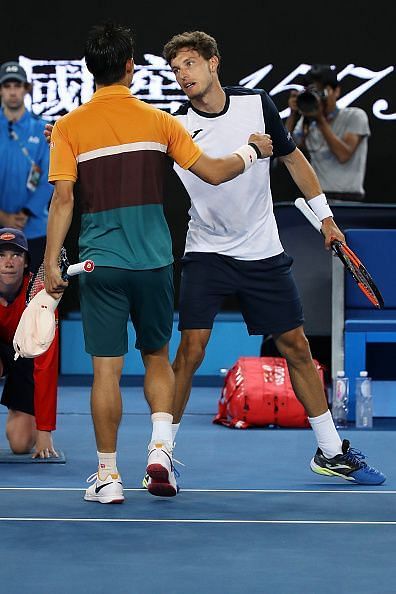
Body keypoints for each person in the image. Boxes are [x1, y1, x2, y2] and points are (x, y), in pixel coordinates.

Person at [43, 22, 272, 504]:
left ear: (89, 70)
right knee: (156, 358)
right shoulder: (161, 121)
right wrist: (254, 150)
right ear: (130, 67)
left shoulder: (68, 128)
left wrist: (50, 266)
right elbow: (212, 173)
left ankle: (107, 477)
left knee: (105, 370)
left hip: (99, 265)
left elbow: (63, 201)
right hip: (153, 263)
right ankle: (161, 451)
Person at [150, 31, 384, 487]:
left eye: (191, 64)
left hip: (261, 248)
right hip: (206, 250)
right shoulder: (173, 125)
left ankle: (332, 451)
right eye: (176, 69)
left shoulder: (257, 105)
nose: (183, 75)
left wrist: (326, 219)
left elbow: (294, 161)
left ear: (214, 63)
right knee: (190, 350)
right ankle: (161, 456)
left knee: (296, 346)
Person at [0, 227, 59, 458]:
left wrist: (45, 429)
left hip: (26, 360)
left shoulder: (40, 296)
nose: (9, 262)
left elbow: (47, 363)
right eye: (2, 255)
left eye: (16, 255)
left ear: (26, 263)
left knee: (20, 444)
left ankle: (23, 415)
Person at [285, 64, 370, 203]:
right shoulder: (305, 123)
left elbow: (343, 155)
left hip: (349, 201)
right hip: (318, 200)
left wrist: (320, 120)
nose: (318, 98)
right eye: (313, 92)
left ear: (336, 91)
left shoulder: (355, 116)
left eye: (321, 92)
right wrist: (292, 115)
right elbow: (285, 155)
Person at [0, 61, 53, 273]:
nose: (13, 91)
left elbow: (49, 176)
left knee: (35, 297)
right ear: (1, 90)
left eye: (17, 85)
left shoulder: (42, 129)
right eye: (7, 86)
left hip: (34, 229)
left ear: (26, 88)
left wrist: (24, 213)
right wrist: (3, 216)